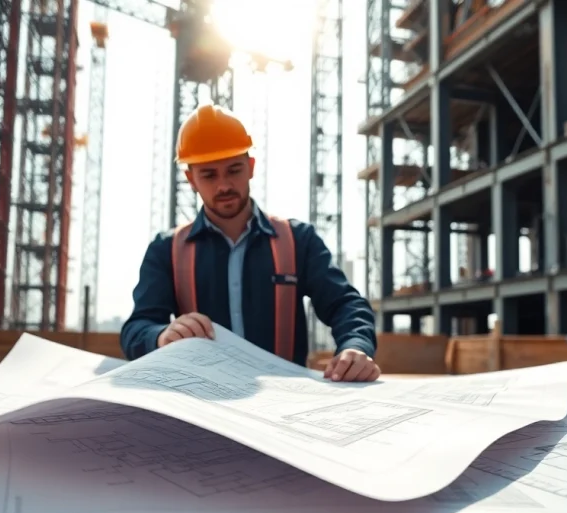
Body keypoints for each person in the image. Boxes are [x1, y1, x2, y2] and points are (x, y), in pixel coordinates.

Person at [121, 104, 380, 383]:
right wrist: (160, 336)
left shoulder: (298, 240)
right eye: (209, 175)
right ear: (191, 179)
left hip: (283, 400)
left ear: (251, 167)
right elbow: (137, 328)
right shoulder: (166, 250)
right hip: (203, 397)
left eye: (234, 170)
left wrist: (355, 346)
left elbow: (345, 304)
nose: (224, 186)